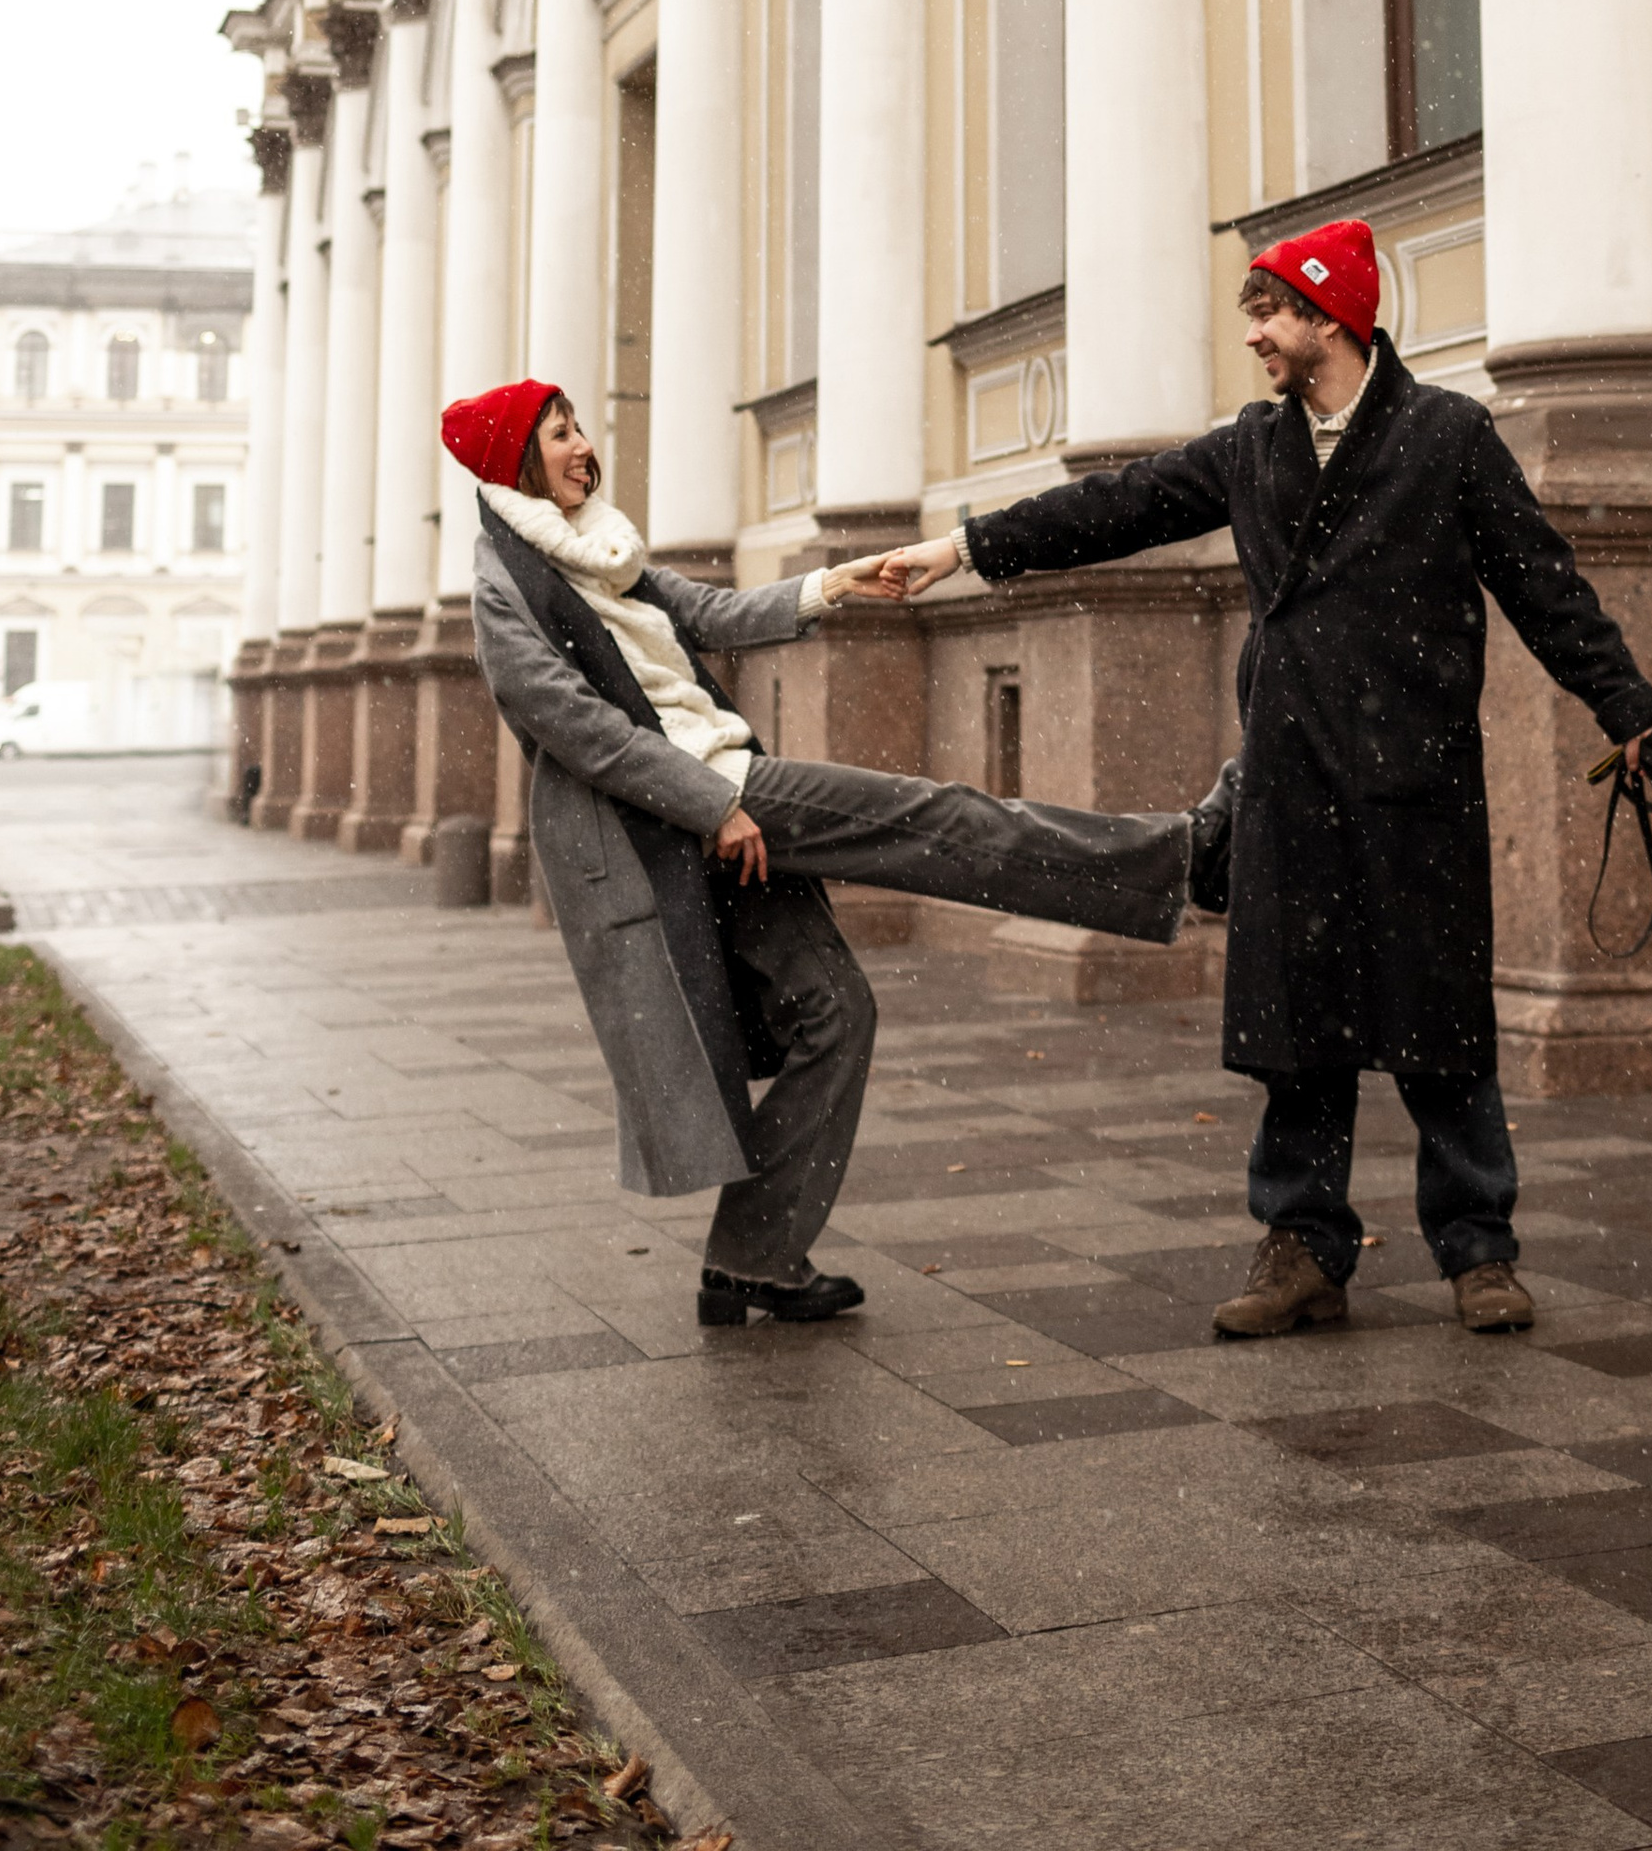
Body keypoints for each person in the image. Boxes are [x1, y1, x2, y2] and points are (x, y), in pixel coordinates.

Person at [861, 219, 1652, 1340]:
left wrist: (1623, 704)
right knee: (1299, 1026)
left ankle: (1479, 1250)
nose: (1253, 337)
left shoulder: (1448, 436)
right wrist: (967, 546)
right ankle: (1302, 1249)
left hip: (1414, 778)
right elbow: (1119, 505)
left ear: (1330, 317)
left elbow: (1543, 583)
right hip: (1289, 778)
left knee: (1441, 1024)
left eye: (1268, 313)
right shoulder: (1253, 446)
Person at [450, 377, 1231, 1328]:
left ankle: (753, 1257)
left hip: (713, 791)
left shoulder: (594, 550)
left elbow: (705, 615)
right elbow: (573, 728)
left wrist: (833, 585)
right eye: (559, 435)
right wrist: (709, 806)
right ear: (515, 462)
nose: (582, 447)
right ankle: (1182, 858)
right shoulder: (506, 585)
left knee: (837, 1010)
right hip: (698, 804)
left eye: (577, 428)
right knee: (931, 818)